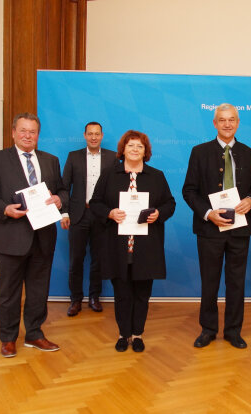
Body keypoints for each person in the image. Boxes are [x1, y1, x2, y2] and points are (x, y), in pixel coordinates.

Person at [0, 113, 68, 358]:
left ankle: (34, 334)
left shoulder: (51, 160)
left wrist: (61, 198)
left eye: (33, 132)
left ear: (38, 135)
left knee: (39, 290)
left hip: (43, 236)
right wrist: (4, 209)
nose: (28, 136)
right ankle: (7, 338)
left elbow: (61, 189)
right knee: (9, 291)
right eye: (23, 131)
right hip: (11, 236)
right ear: (13, 132)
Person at [182, 103, 251, 349]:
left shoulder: (248, 152)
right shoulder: (199, 152)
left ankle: (233, 331)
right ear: (215, 123)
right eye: (222, 120)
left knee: (236, 282)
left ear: (237, 123)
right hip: (209, 229)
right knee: (210, 281)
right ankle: (208, 330)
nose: (227, 124)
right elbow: (189, 190)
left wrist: (250, 200)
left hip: (239, 229)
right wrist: (208, 213)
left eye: (232, 120)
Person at [89, 130, 175, 352]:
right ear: (123, 149)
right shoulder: (109, 174)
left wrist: (159, 214)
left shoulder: (156, 176)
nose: (135, 150)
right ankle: (123, 334)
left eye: (140, 146)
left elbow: (170, 203)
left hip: (146, 246)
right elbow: (95, 202)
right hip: (118, 246)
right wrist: (109, 213)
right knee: (122, 293)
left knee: (142, 293)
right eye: (131, 146)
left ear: (145, 152)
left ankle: (137, 334)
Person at [60, 122, 117, 316]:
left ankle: (94, 297)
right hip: (78, 214)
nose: (93, 137)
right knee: (76, 259)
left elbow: (117, 187)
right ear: (84, 135)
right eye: (90, 134)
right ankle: (75, 299)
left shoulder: (112, 157)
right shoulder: (73, 156)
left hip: (102, 215)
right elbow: (64, 187)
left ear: (102, 136)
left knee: (99, 260)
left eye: (97, 134)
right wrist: (64, 213)